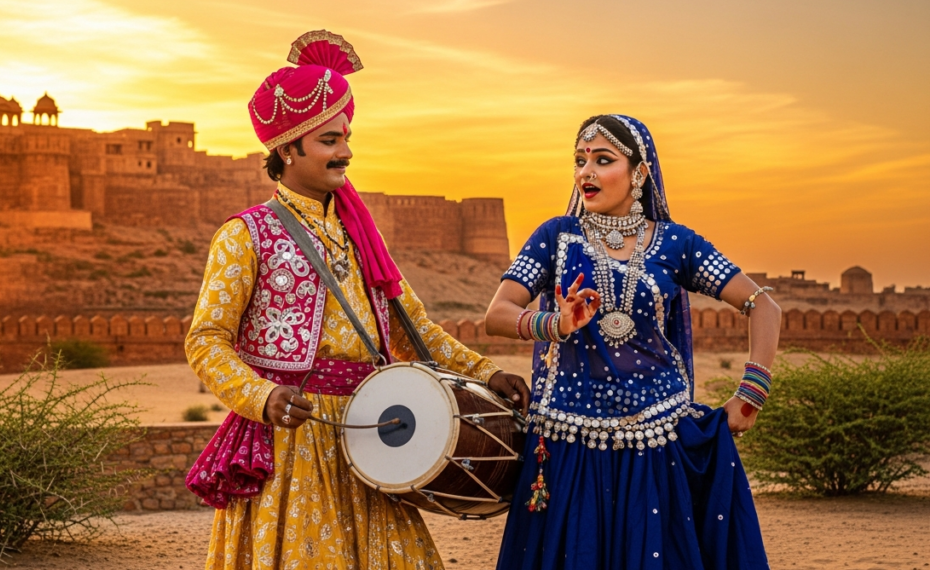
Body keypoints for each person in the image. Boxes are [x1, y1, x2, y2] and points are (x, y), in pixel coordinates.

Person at [184, 30, 530, 570]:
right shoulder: (245, 235)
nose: (345, 152)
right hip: (294, 439)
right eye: (329, 140)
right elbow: (206, 341)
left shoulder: (359, 235)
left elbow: (413, 329)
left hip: (375, 433)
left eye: (346, 137)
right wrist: (262, 397)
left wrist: (486, 374)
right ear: (287, 149)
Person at [486, 114, 780, 570]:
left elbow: (763, 304)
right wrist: (556, 323)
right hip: (568, 447)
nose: (586, 172)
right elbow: (498, 314)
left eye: (603, 160)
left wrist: (751, 393)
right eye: (580, 161)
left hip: (656, 446)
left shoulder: (676, 243)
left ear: (639, 173)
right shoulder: (556, 237)